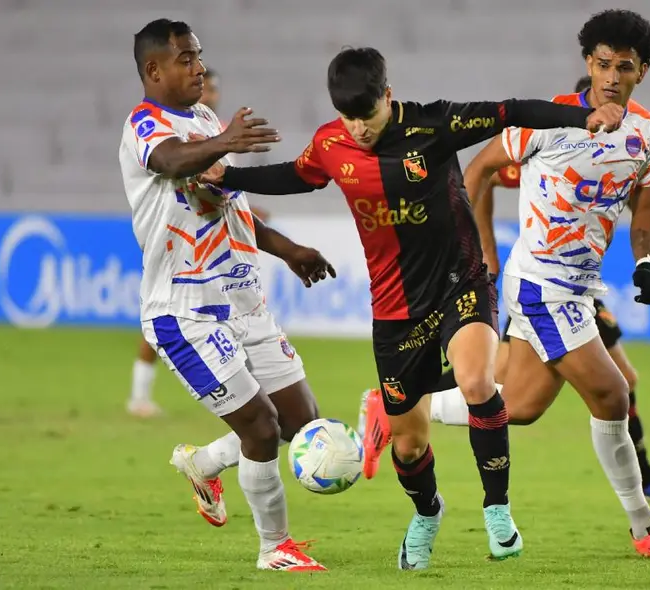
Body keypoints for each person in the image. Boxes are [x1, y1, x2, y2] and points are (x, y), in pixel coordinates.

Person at [199, 46, 626, 569]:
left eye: (367, 114)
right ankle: (427, 512)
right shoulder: (331, 144)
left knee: (477, 382)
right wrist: (229, 178)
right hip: (396, 308)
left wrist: (585, 116)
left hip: (460, 281)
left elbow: (511, 111)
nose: (358, 128)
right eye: (348, 117)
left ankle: (497, 510)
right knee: (407, 446)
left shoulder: (435, 125)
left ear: (389, 95)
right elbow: (296, 175)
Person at [357, 11, 650, 559]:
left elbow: (645, 210)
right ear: (588, 62)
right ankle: (645, 529)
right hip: (541, 284)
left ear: (642, 71)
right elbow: (478, 169)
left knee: (519, 405)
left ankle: (399, 405)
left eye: (625, 67)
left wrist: (645, 263)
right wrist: (464, 246)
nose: (612, 76)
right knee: (613, 393)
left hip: (580, 287)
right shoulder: (549, 121)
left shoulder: (648, 135)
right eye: (603, 63)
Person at [121, 18, 336, 572]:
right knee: (260, 427)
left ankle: (204, 463)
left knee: (299, 421)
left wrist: (287, 249)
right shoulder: (144, 125)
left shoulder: (205, 120)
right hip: (186, 311)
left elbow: (229, 201)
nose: (198, 68)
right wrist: (224, 142)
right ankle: (274, 548)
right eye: (186, 59)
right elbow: (171, 161)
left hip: (244, 301)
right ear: (154, 70)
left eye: (198, 56)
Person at [126, 67, 274, 418]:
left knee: (225, 321)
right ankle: (139, 394)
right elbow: (181, 178)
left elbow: (219, 187)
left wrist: (245, 210)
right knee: (168, 317)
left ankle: (245, 396)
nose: (209, 95)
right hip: (180, 244)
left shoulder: (217, 129)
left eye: (214, 90)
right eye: (205, 88)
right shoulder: (176, 131)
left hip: (215, 248)